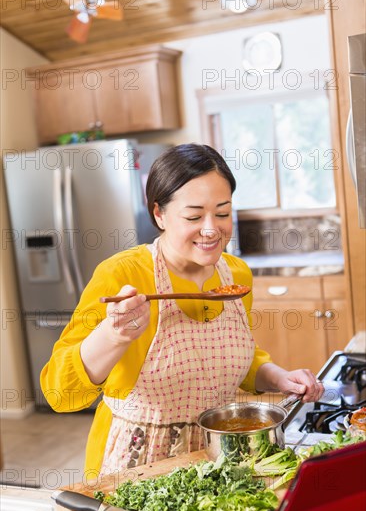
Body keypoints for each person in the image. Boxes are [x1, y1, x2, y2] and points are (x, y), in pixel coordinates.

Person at [41, 143, 324, 478]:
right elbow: (60, 391)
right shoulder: (123, 275)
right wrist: (114, 335)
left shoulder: (236, 276)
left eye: (222, 213)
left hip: (222, 457)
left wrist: (280, 377)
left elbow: (235, 357)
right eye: (193, 216)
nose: (211, 230)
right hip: (138, 467)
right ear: (159, 214)